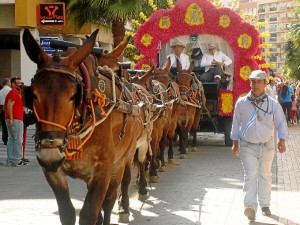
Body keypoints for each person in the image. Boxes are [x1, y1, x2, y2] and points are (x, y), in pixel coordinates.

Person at [231, 70, 288, 221]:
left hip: (268, 145)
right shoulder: (241, 103)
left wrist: (282, 140)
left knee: (265, 175)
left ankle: (265, 205)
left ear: (264, 84)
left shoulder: (273, 104)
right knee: (250, 174)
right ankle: (250, 207)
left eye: (258, 82)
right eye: (252, 82)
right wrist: (235, 143)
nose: (255, 85)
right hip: (247, 145)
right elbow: (236, 123)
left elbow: (281, 122)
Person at [4, 77, 26, 166]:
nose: (21, 85)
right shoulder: (13, 92)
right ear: (13, 84)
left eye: (21, 83)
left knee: (12, 139)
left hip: (12, 119)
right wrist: (12, 119)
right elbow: (9, 105)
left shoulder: (16, 93)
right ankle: (17, 160)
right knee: (18, 140)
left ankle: (11, 160)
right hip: (15, 119)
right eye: (19, 83)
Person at [0, 78, 11, 145]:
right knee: (9, 125)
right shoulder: (10, 90)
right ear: (7, 82)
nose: (10, 83)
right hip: (8, 109)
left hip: (2, 109)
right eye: (9, 82)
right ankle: (9, 139)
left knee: (4, 125)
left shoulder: (0, 91)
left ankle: (4, 139)